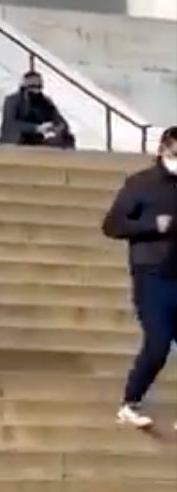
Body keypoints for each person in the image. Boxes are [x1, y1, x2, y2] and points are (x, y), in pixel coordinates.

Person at [102, 126, 177, 430]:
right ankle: (130, 403)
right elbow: (112, 225)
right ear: (163, 150)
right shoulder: (141, 184)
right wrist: (151, 224)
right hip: (152, 274)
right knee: (158, 343)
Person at [0, 71, 75, 149]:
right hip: (17, 140)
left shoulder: (45, 101)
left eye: (39, 86)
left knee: (66, 138)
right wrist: (36, 128)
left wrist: (57, 128)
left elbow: (60, 120)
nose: (36, 90)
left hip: (37, 141)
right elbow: (11, 124)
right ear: (25, 86)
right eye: (33, 86)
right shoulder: (12, 100)